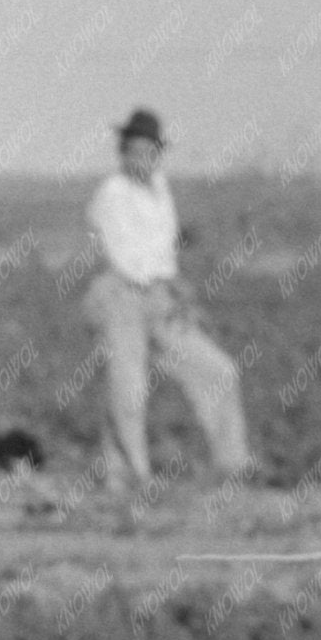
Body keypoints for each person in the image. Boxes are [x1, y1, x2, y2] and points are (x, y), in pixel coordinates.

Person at [81, 109, 251, 490]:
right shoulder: (112, 193)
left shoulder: (160, 188)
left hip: (160, 296)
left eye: (149, 151)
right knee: (128, 389)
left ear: (157, 154)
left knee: (219, 371)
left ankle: (232, 465)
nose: (141, 158)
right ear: (123, 153)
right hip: (121, 295)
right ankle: (128, 479)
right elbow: (125, 256)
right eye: (133, 150)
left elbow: (163, 249)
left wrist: (176, 289)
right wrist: (161, 282)